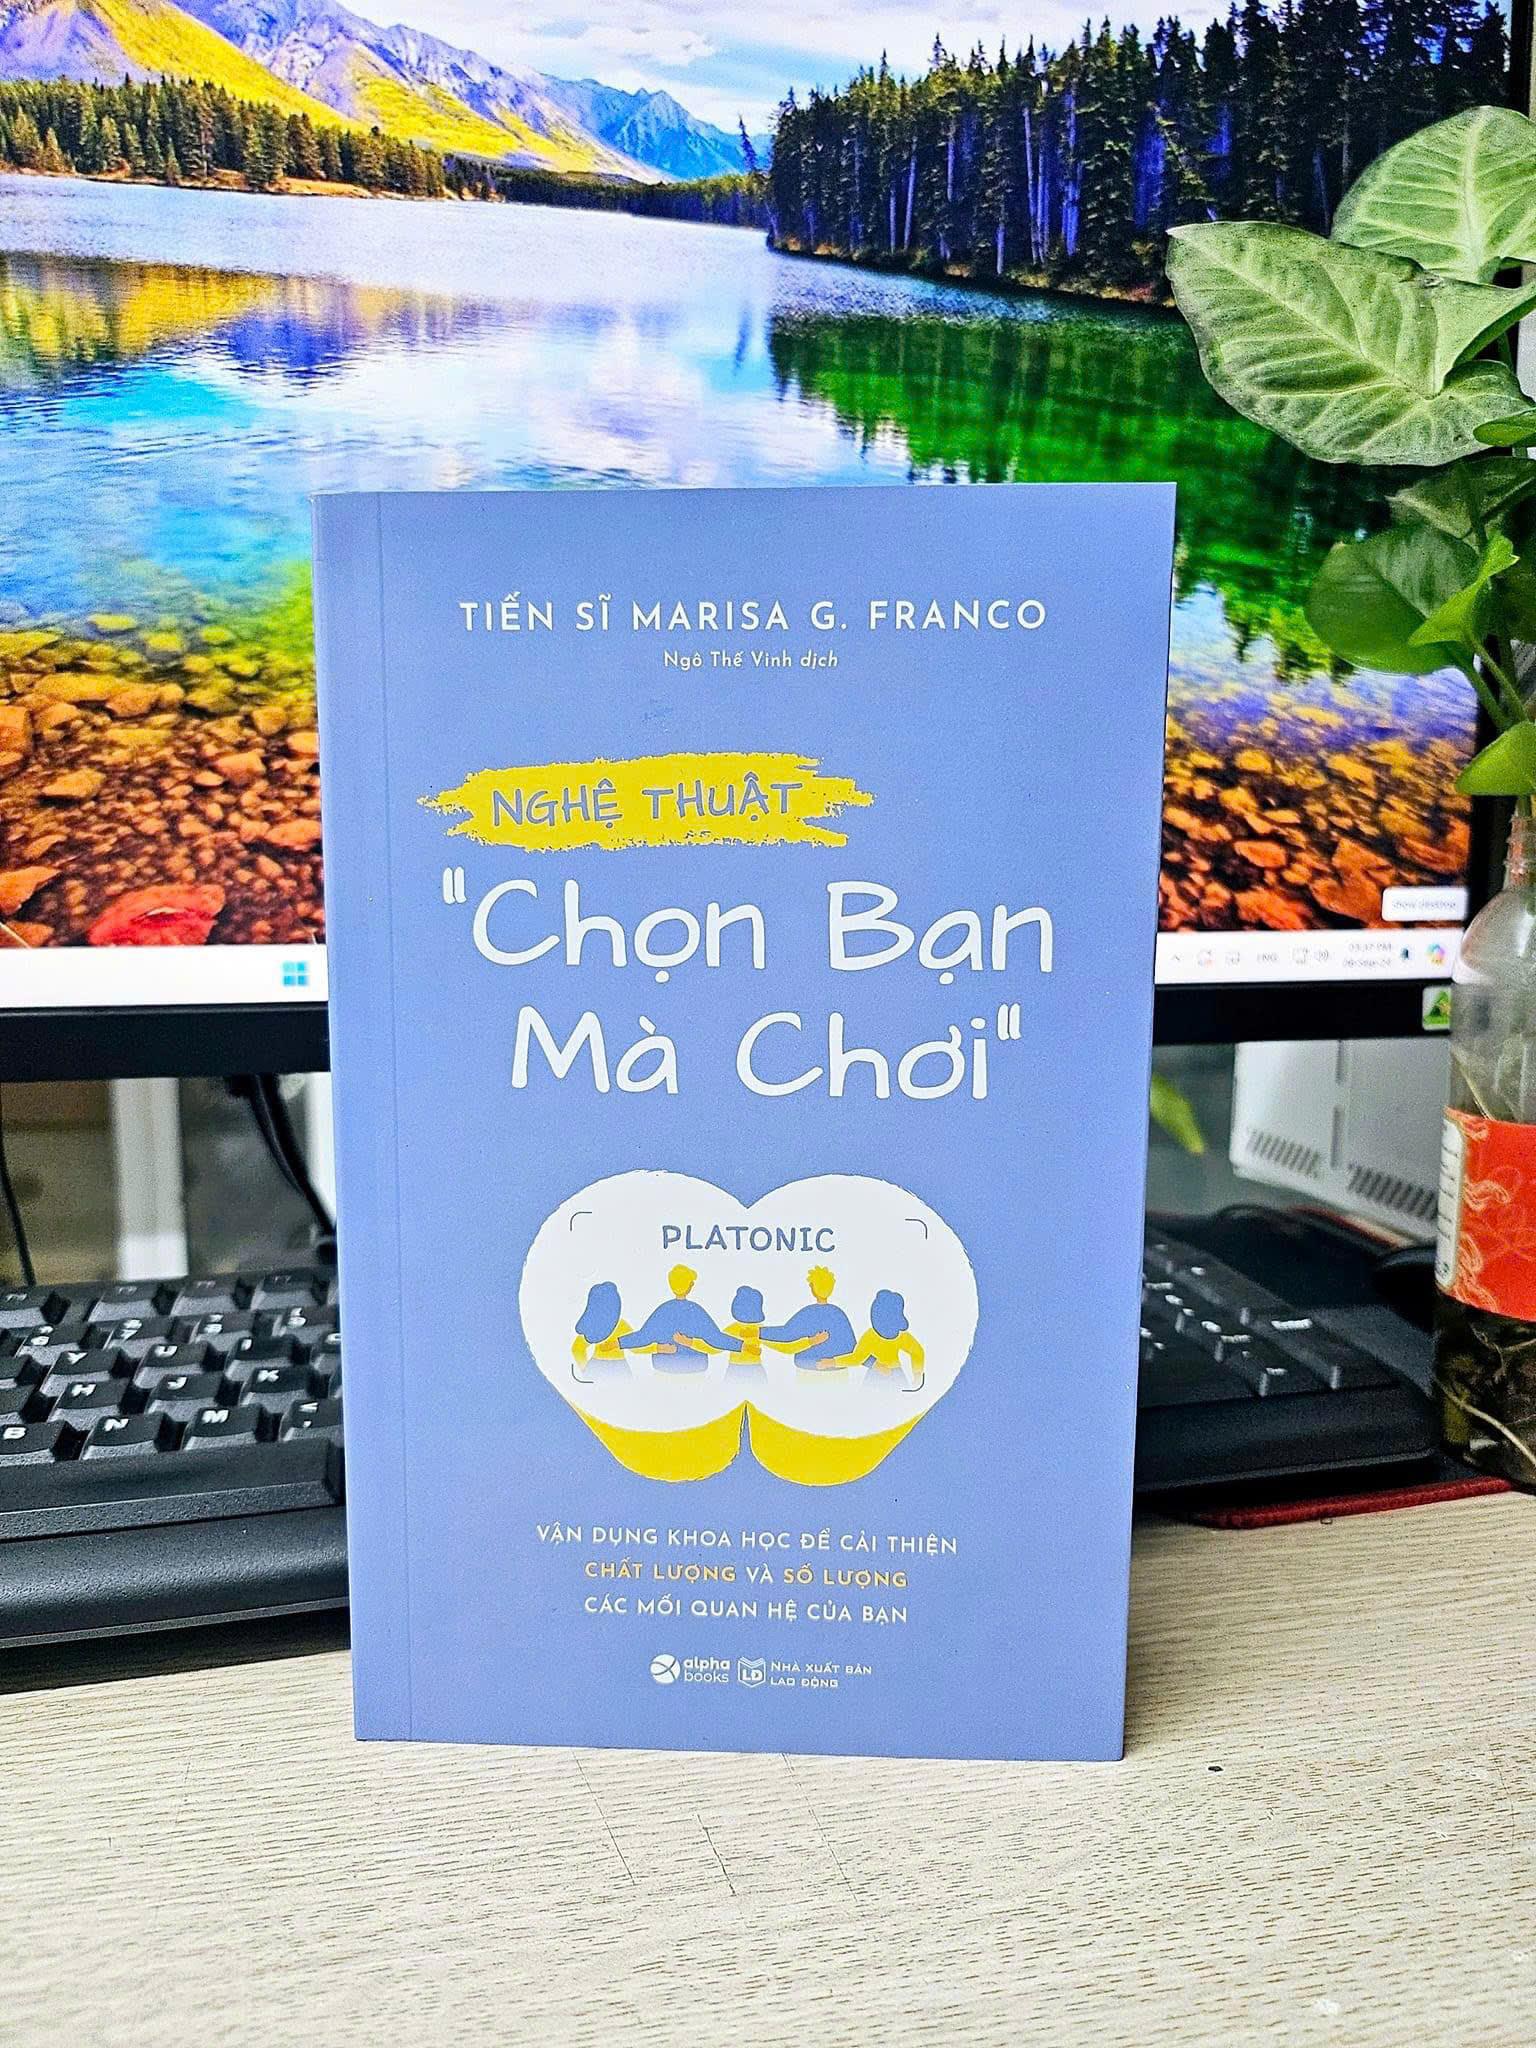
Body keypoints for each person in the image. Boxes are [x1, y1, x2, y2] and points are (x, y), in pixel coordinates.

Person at [617, 1264, 742, 1367]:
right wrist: (741, 1345)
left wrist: (620, 1342)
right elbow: (716, 1340)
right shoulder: (696, 1311)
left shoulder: (662, 1311)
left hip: (664, 1371)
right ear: (690, 1286)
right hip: (694, 1372)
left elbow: (642, 1337)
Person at [760, 1265, 856, 1367]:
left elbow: (786, 1334)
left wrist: (758, 1332)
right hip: (838, 1372)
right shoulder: (839, 1314)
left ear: (812, 1288)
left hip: (808, 1371)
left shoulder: (808, 1313)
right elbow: (853, 1348)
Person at [842, 1290, 926, 1389]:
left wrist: (918, 1374)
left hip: (891, 1376)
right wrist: (917, 1374)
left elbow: (857, 1357)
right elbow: (857, 1357)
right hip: (879, 1376)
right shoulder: (872, 1335)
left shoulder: (896, 1336)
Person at [570, 1281, 631, 1384]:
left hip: (598, 1366)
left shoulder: (593, 1326)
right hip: (619, 1367)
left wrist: (585, 1369)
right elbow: (636, 1346)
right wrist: (656, 1348)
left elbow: (577, 1348)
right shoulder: (621, 1325)